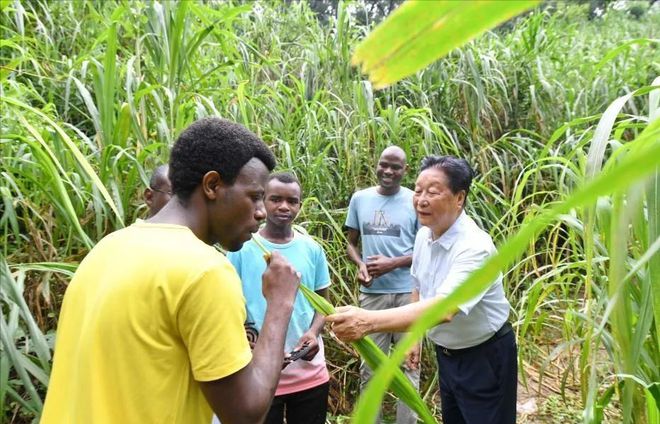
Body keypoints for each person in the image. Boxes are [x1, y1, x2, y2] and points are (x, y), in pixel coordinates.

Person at [41, 117, 301, 424]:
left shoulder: (107, 248)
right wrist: (280, 303)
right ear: (212, 185)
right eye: (255, 196)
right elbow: (245, 414)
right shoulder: (204, 271)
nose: (261, 212)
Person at [327, 155, 517, 424]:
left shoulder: (475, 247)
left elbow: (445, 308)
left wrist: (366, 321)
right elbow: (418, 283)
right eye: (417, 190)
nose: (421, 199)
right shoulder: (424, 235)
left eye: (433, 191)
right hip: (448, 354)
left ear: (459, 198)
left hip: (484, 356)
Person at [227, 172, 331, 424]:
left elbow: (323, 305)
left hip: (310, 373)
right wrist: (251, 343)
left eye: (292, 201)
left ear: (300, 205)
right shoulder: (242, 249)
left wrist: (313, 333)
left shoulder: (312, 249)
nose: (284, 206)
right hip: (258, 376)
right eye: (275, 199)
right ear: (262, 201)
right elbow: (229, 308)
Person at [344, 145, 420, 424]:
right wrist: (361, 264)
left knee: (409, 366)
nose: (388, 171)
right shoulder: (360, 199)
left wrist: (393, 263)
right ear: (376, 164)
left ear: (405, 170)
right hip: (372, 297)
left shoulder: (415, 200)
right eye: (383, 165)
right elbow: (351, 244)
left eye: (395, 167)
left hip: (408, 296)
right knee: (370, 368)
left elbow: (425, 250)